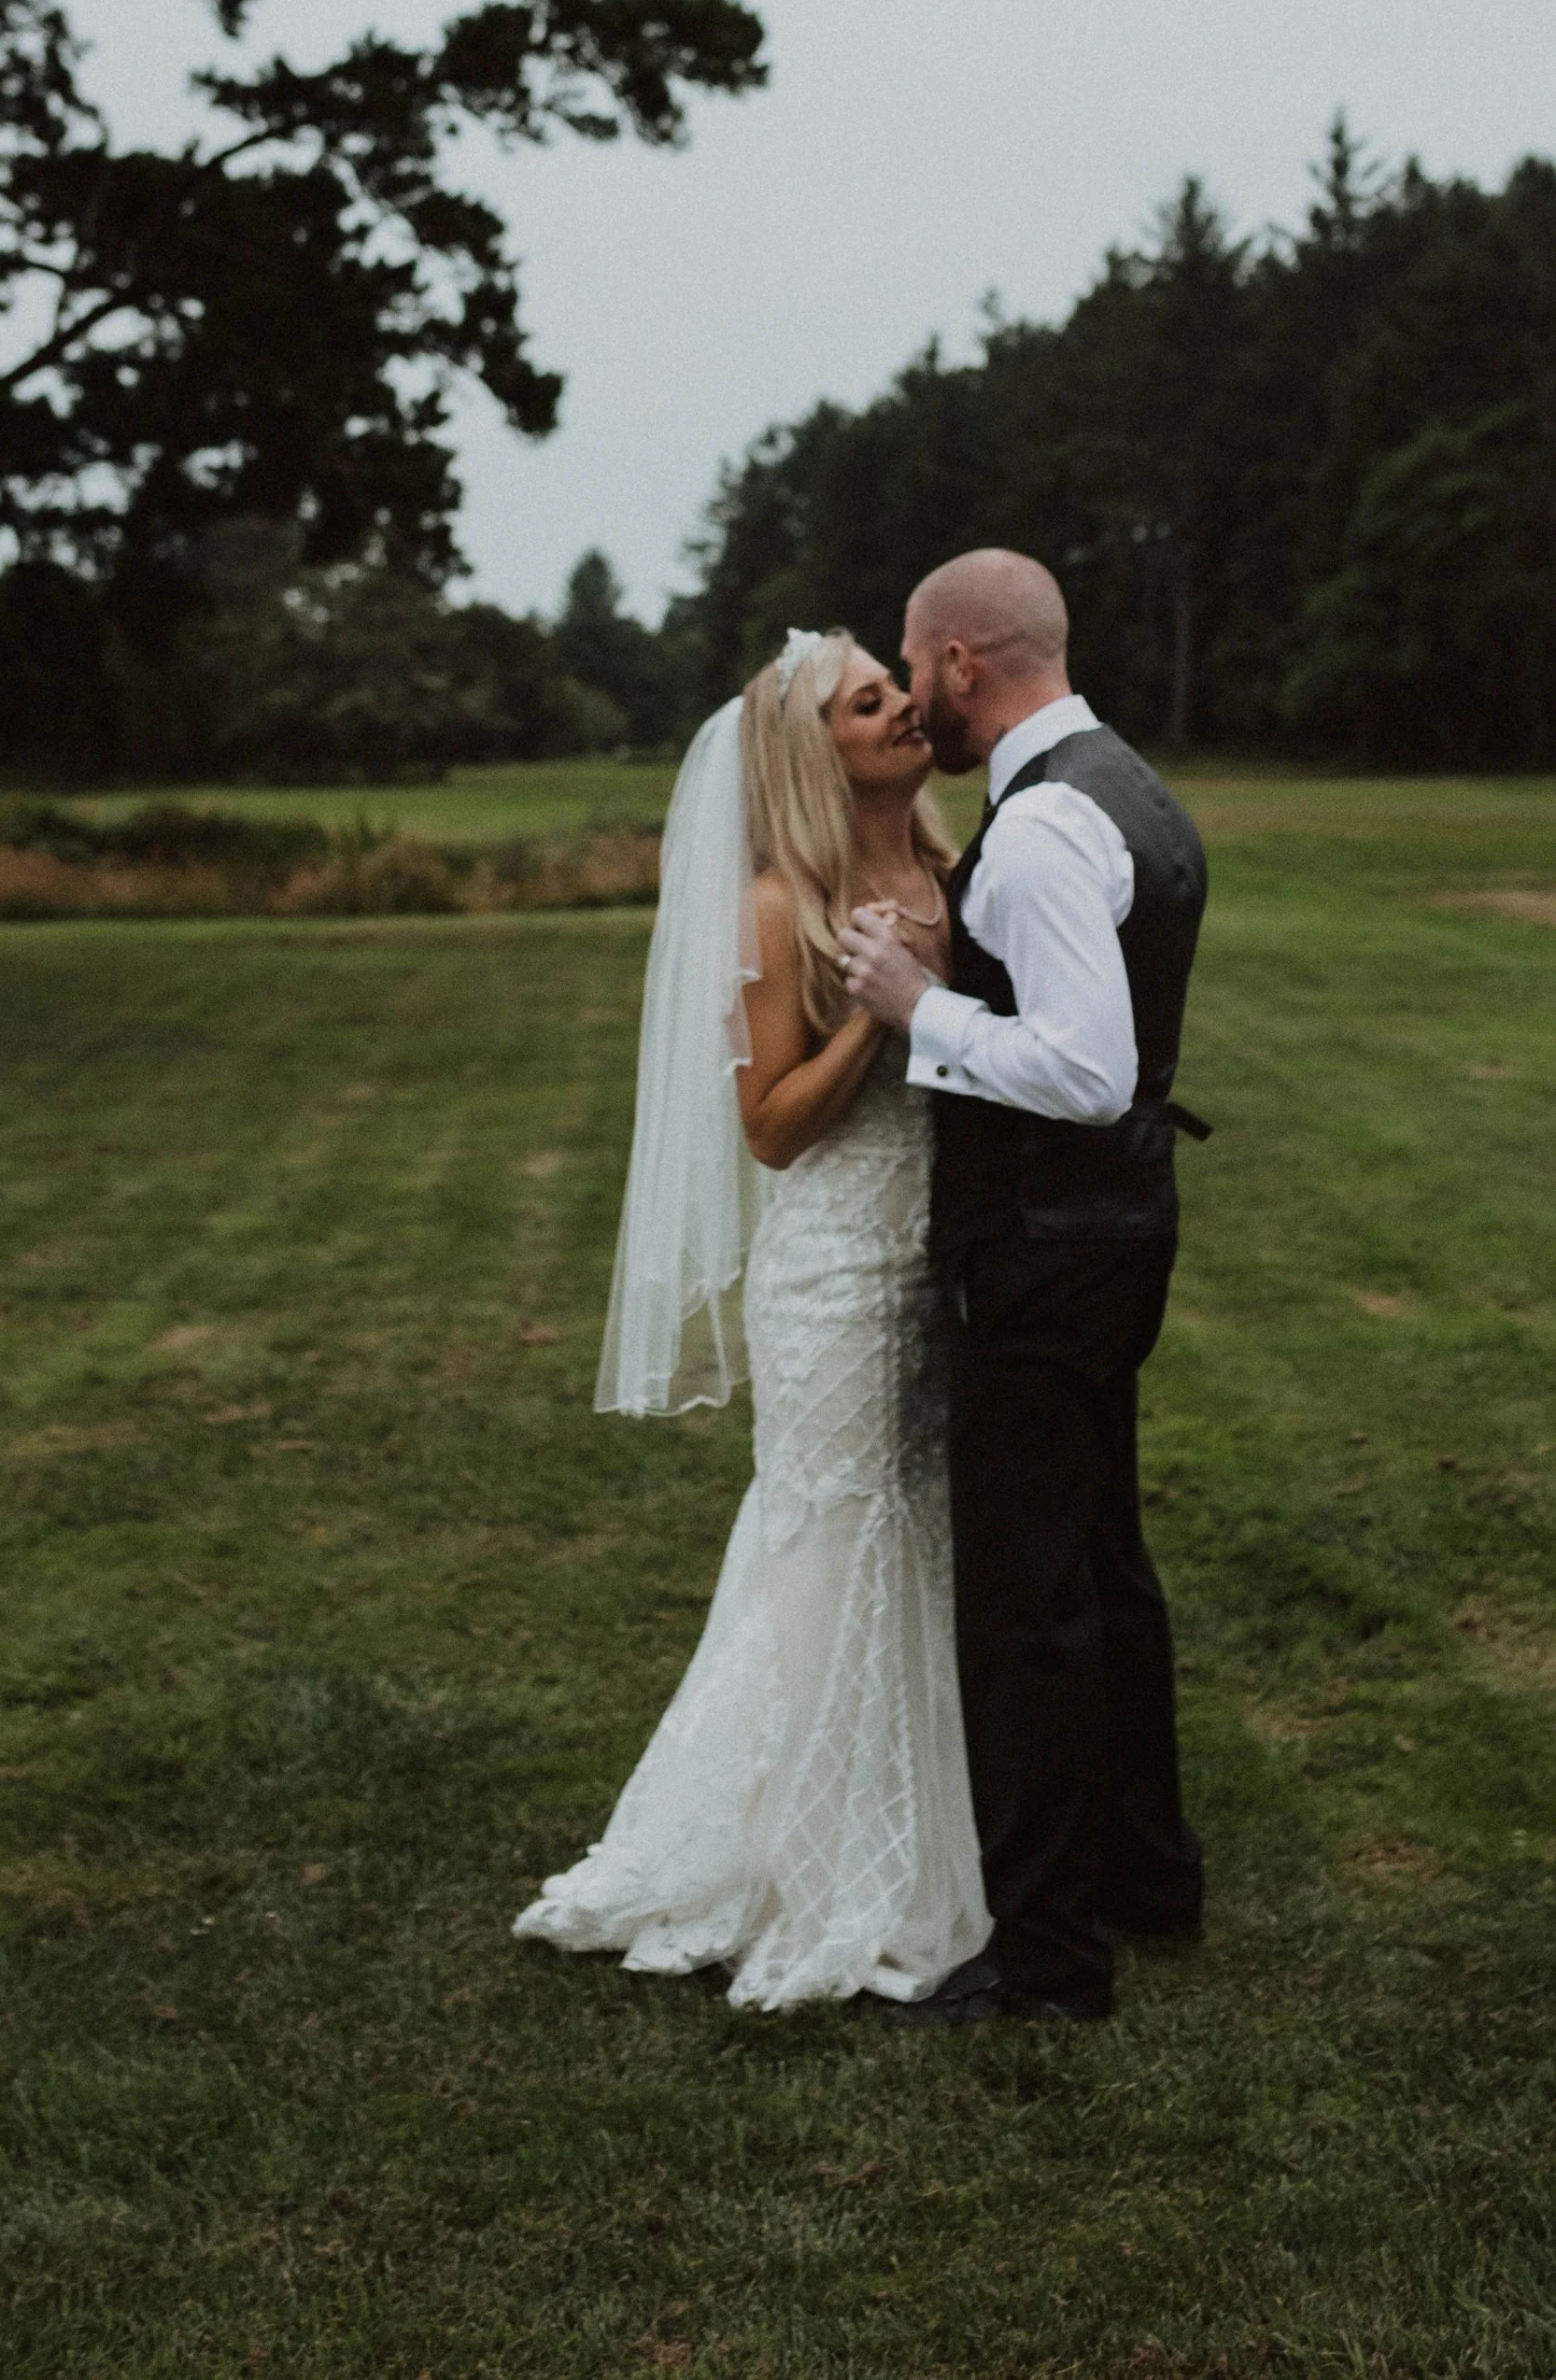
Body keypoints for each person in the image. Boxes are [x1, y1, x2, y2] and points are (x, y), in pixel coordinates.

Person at [513, 626, 991, 2009]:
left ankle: (940, 1830)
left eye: (895, 687)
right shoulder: (780, 906)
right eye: (870, 699)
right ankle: (811, 1862)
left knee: (926, 1533)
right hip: (835, 1272)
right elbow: (772, 1127)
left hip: (937, 1256)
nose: (907, 706)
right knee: (837, 1539)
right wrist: (876, 1010)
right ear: (814, 750)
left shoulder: (950, 866)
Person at [841, 548, 1209, 2024]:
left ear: (964, 662)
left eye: (917, 663)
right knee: (1105, 1566)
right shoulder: (1133, 784)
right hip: (1113, 1235)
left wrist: (918, 1007)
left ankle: (1051, 1956)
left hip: (1048, 1248)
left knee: (1029, 1603)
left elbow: (1084, 1066)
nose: (914, 689)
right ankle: (1147, 1872)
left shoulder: (1049, 821)